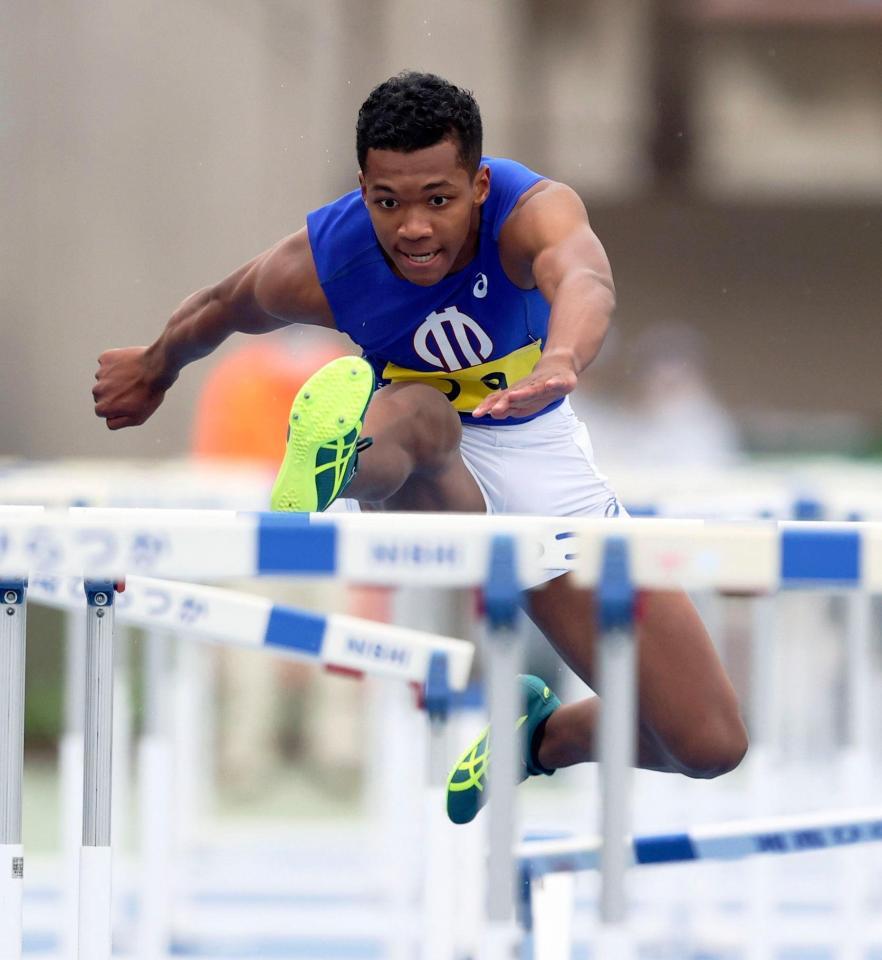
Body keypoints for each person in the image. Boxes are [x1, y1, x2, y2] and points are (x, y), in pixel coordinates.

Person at [93, 71, 748, 825]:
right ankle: (338, 460)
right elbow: (219, 307)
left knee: (706, 742)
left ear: (478, 183)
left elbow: (586, 278)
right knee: (421, 417)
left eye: (438, 199)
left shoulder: (528, 212)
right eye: (388, 202)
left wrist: (564, 356)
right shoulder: (328, 259)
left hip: (539, 452)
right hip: (418, 453)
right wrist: (154, 367)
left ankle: (537, 739)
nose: (412, 228)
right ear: (365, 188)